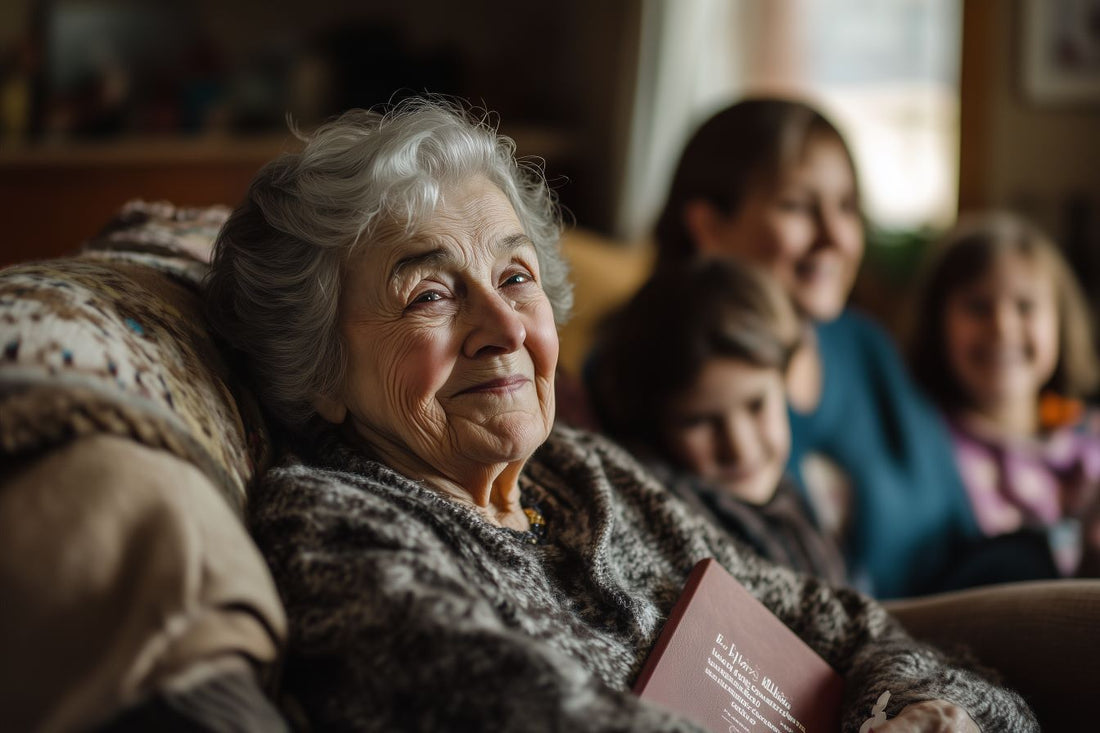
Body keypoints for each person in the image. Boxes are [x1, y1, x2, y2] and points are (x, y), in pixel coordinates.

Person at [203, 98, 1035, 731]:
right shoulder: (339, 530)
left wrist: (923, 708)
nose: (505, 330)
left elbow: (848, 623)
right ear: (315, 365)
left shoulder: (585, 474)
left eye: (517, 277)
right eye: (429, 293)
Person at [653, 97, 980, 598]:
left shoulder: (865, 345)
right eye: (798, 207)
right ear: (709, 226)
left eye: (847, 207)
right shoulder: (660, 377)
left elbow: (965, 530)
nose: (836, 237)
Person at [587, 257, 847, 585]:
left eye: (756, 406)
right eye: (699, 422)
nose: (739, 447)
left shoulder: (789, 499)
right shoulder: (670, 516)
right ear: (651, 420)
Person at [907, 211, 1100, 583]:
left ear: (1060, 321)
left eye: (1025, 307)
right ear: (937, 323)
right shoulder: (928, 444)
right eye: (978, 306)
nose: (1002, 326)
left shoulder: (1088, 435)